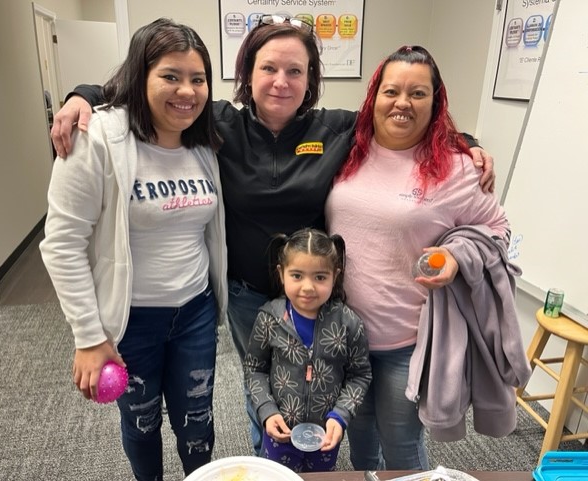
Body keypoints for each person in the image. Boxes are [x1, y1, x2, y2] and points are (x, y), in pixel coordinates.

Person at [49, 15, 497, 457]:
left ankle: (314, 457)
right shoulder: (216, 122)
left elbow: (402, 117)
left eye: (295, 71)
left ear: (310, 80)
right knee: (262, 389)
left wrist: (468, 144)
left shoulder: (337, 129)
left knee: (320, 389)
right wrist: (81, 95)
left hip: (315, 295)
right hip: (247, 296)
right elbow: (145, 90)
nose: (281, 81)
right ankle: (268, 461)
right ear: (247, 74)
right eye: (269, 68)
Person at [39, 18, 227, 481]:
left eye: (198, 79)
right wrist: (88, 336)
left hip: (195, 312)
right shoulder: (97, 137)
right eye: (170, 76)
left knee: (197, 423)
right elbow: (62, 244)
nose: (187, 91)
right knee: (142, 424)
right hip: (131, 319)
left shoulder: (203, 141)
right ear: (140, 76)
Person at [325, 45, 513, 471]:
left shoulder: (458, 169)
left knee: (402, 451)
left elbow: (498, 230)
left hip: (404, 341)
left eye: (418, 93)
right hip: (344, 335)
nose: (402, 103)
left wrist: (456, 255)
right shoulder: (348, 150)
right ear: (375, 96)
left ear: (436, 101)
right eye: (392, 91)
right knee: (360, 441)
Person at [244, 227, 372, 472]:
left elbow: (360, 375)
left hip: (325, 434)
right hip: (280, 430)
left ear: (335, 275)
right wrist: (267, 410)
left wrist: (341, 414)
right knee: (278, 476)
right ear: (281, 274)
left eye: (320, 277)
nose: (308, 287)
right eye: (297, 275)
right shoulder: (269, 319)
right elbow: (254, 369)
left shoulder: (348, 323)